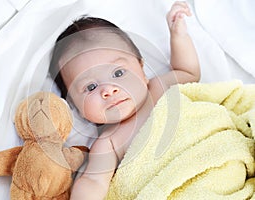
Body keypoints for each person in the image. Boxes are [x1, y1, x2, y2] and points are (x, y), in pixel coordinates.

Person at [49, 1, 200, 199]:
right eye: (91, 87)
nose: (109, 90)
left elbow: (189, 73)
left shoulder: (158, 88)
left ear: (142, 69)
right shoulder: (108, 142)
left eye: (118, 73)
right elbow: (94, 181)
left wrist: (178, 36)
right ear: (75, 106)